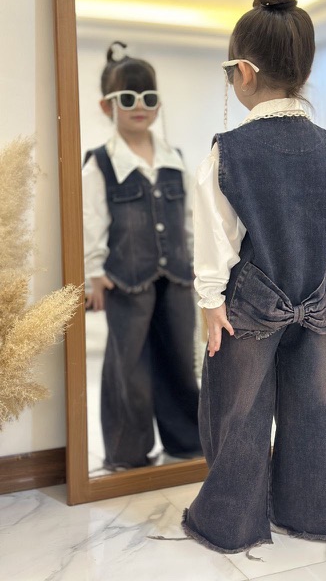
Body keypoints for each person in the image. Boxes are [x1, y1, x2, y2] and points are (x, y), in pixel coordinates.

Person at [181, 0, 326, 553]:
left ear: (246, 72)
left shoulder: (229, 152)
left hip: (250, 308)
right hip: (315, 299)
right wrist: (320, 279)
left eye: (230, 71)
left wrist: (211, 302)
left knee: (239, 413)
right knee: (315, 411)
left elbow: (216, 239)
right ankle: (311, 513)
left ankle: (230, 523)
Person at [82, 41, 202, 470]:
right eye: (127, 98)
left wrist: (198, 266)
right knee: (127, 365)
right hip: (125, 280)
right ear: (107, 105)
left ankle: (187, 440)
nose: (139, 107)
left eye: (149, 98)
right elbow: (91, 221)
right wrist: (93, 271)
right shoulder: (99, 164)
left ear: (158, 105)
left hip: (178, 277)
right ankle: (127, 451)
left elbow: (189, 220)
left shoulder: (175, 160)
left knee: (180, 359)